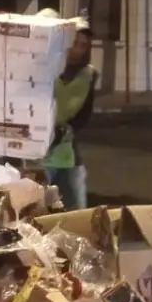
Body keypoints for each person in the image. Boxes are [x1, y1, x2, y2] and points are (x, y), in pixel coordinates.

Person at [45, 21, 97, 211]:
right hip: (40, 152)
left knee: (77, 210)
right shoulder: (46, 70)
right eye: (74, 43)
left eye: (83, 46)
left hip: (67, 150)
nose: (77, 50)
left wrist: (69, 128)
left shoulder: (89, 74)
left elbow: (84, 113)